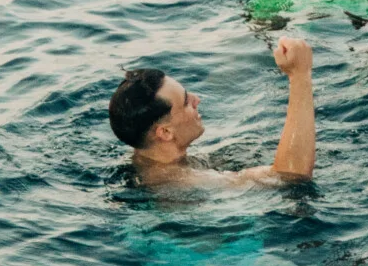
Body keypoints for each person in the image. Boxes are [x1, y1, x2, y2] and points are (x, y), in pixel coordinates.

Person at [109, 37, 316, 191]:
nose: (196, 99)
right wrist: (299, 75)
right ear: (165, 132)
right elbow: (292, 176)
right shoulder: (183, 182)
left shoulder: (146, 162)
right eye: (186, 102)